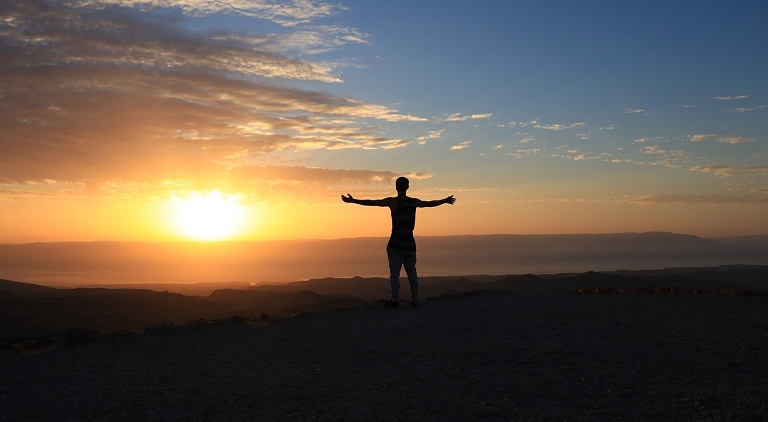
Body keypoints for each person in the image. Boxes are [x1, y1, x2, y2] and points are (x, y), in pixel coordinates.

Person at [341, 177, 455, 308]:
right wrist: (445, 201)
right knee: (412, 273)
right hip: (410, 245)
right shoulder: (413, 202)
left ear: (396, 187)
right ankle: (414, 300)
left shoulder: (392, 202)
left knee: (394, 274)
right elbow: (429, 203)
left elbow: (373, 202)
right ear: (407, 187)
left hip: (395, 244)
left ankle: (395, 300)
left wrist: (353, 200)